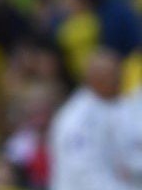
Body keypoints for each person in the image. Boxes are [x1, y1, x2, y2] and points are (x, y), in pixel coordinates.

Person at [48, 48, 126, 190]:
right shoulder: (78, 119)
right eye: (114, 76)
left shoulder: (112, 105)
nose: (120, 81)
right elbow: (84, 174)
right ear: (95, 78)